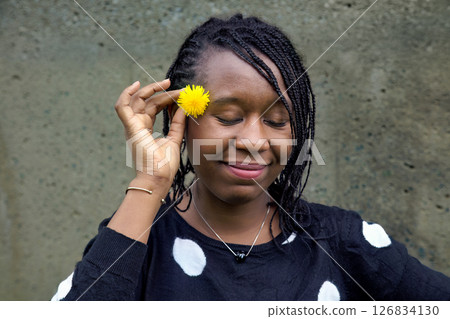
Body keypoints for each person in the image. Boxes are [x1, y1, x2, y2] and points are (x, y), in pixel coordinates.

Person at [51, 14, 450, 301]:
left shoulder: (344, 241)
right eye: (228, 117)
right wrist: (151, 183)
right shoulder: (137, 241)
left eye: (278, 121)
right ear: (181, 119)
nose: (254, 140)